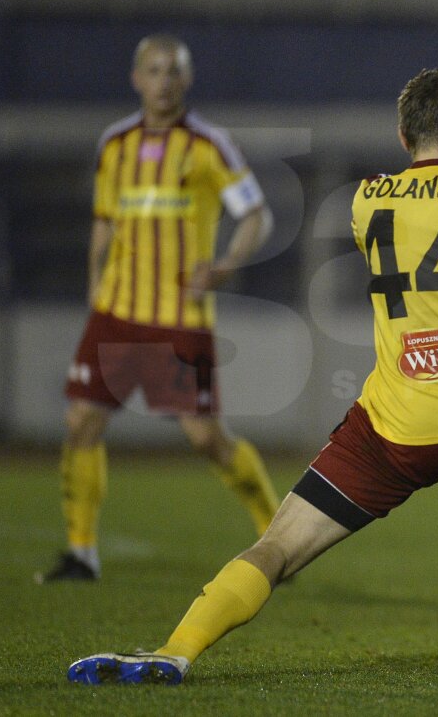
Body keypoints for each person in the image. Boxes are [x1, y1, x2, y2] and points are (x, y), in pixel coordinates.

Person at [67, 68, 438, 685]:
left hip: (394, 426)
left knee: (277, 548)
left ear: (402, 132)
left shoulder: (368, 200)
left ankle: (176, 650)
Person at [39, 34, 280, 583]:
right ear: (136, 78)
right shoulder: (114, 144)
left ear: (187, 80)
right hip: (117, 312)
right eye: (154, 70)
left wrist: (224, 265)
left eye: (174, 71)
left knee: (207, 440)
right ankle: (81, 552)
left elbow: (256, 216)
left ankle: (276, 534)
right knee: (81, 422)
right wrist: (94, 280)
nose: (164, 81)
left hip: (179, 318)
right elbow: (105, 217)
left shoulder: (208, 145)